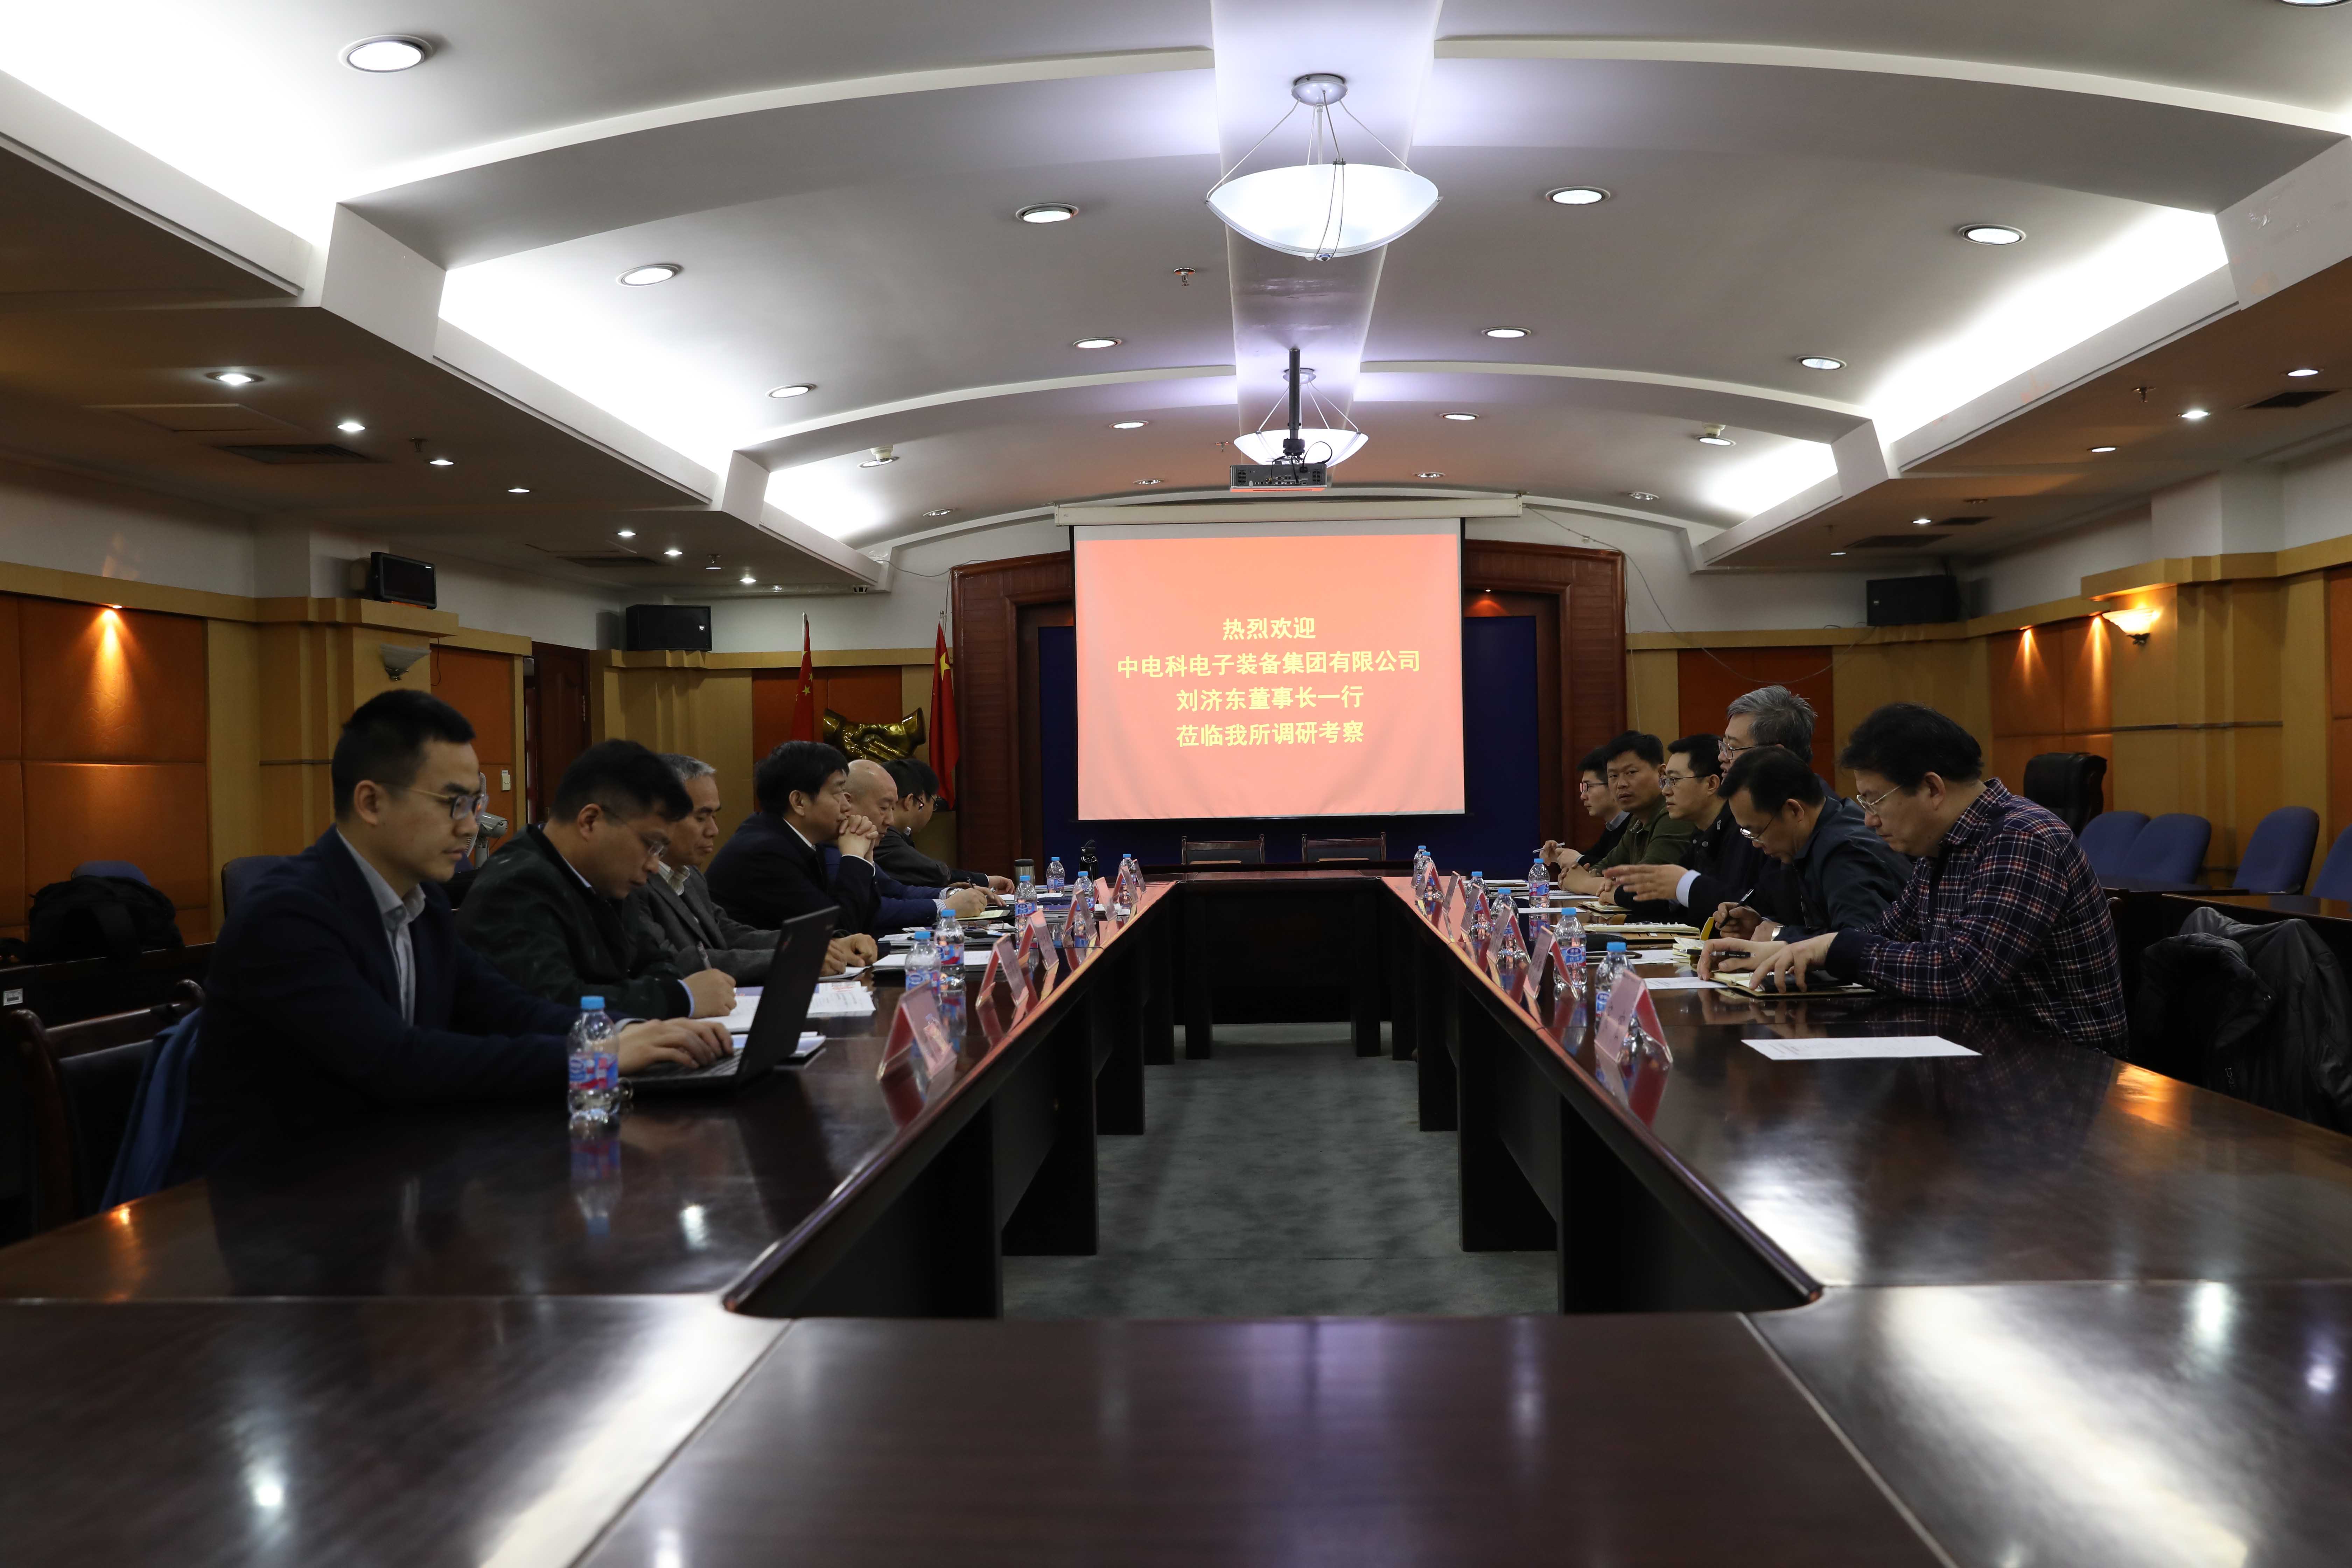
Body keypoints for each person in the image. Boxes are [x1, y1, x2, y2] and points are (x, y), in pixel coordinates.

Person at [173, 692, 728, 1179]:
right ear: (371, 802)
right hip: (278, 1201)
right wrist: (597, 1057)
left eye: (476, 804)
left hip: (391, 1172)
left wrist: (633, 1033)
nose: (470, 826)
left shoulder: (424, 904)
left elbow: (507, 1008)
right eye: (454, 803)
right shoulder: (288, 916)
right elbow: (396, 1061)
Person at [1707, 703, 2129, 1051]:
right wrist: (1786, 948)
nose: (1869, 820)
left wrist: (1833, 948)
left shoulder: (2022, 837)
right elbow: (1885, 933)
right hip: (1971, 1050)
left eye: (1875, 801)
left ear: (1932, 789)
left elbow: (1965, 971)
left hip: (2055, 1066)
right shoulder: (1940, 847)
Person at [460, 740, 738, 1021]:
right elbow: (554, 1005)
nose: (654, 865)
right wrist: (681, 998)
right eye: (650, 845)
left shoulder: (606, 877)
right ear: (590, 821)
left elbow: (654, 962)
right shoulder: (517, 887)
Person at [634, 752, 874, 981]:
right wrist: (794, 957)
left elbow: (726, 932)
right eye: (701, 818)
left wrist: (821, 944)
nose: (714, 831)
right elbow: (673, 963)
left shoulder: (689, 874)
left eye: (714, 817)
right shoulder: (632, 882)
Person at [1701, 746, 1907, 944]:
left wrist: (1779, 936)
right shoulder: (1811, 840)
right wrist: (1760, 927)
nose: (1756, 844)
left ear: (1794, 810)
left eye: (1757, 832)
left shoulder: (1846, 852)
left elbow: (1860, 944)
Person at [1602, 734, 1763, 921]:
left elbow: (1742, 907)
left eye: (1674, 781)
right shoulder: (1701, 833)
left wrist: (1684, 884)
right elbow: (1665, 903)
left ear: (1711, 784)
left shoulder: (1744, 834)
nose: (1665, 791)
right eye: (1665, 782)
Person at [842, 758, 990, 926]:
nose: (890, 820)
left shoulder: (858, 842)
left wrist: (950, 894)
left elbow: (896, 890)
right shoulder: (835, 849)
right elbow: (871, 911)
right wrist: (947, 907)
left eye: (892, 809)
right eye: (884, 808)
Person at [1552, 732, 1695, 895]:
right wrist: (1584, 875)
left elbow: (1645, 887)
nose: (1621, 784)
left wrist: (1584, 883)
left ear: (1662, 773)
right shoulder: (1637, 819)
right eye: (1613, 776)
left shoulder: (1674, 815)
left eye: (1631, 773)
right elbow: (1606, 867)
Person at [879, 757, 1011, 892]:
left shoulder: (896, 834)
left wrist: (947, 893)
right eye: (883, 807)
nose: (887, 819)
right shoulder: (882, 834)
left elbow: (903, 891)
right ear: (914, 801)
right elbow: (933, 873)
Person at [1541, 747, 1628, 874]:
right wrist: (1559, 855)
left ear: (1613, 785)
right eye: (1583, 788)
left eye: (1589, 787)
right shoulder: (1613, 826)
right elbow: (1597, 858)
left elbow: (1622, 871)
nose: (1583, 796)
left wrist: (1578, 860)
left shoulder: (1636, 823)